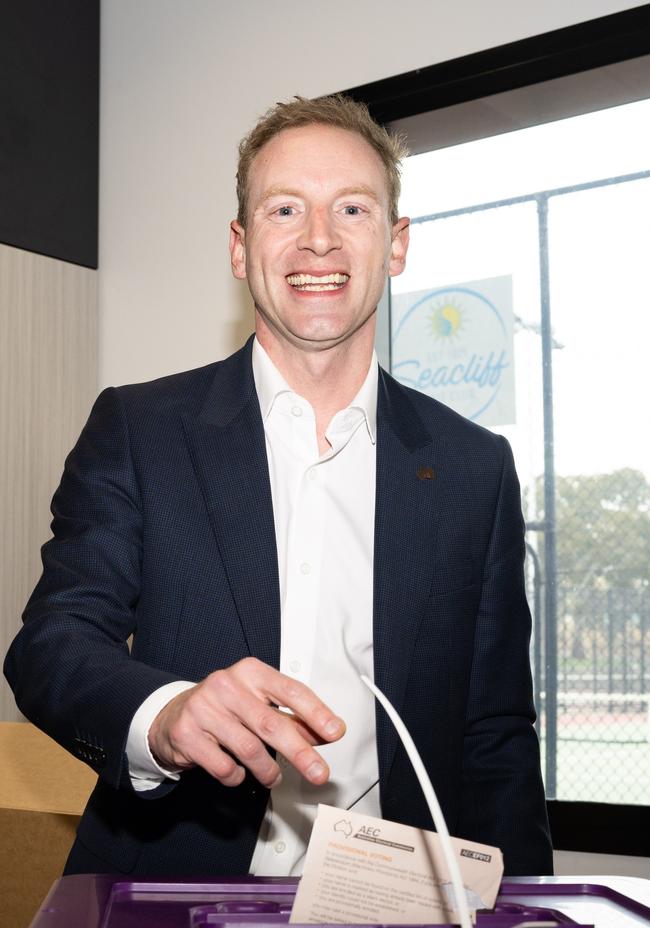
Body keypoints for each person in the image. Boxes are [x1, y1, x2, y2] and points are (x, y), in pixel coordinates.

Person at [4, 95, 553, 878]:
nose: (319, 240)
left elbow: (495, 733)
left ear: (396, 245)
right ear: (240, 246)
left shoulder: (475, 467)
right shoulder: (140, 427)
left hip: (397, 919)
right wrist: (166, 716)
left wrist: (523, 927)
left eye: (353, 209)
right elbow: (52, 645)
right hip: (170, 912)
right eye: (285, 208)